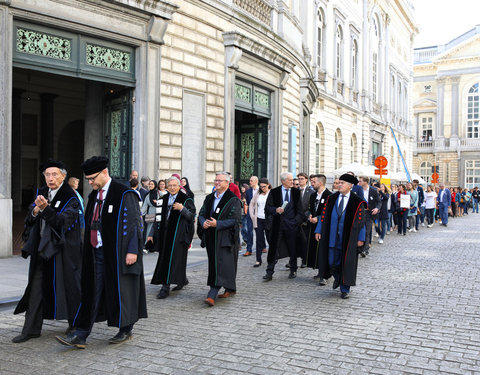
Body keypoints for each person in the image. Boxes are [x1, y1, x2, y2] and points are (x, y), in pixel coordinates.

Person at [56, 156, 147, 349]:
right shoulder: (94, 196)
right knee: (92, 291)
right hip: (96, 252)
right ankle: (81, 334)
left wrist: (133, 250)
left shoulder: (124, 193)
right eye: (88, 179)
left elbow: (134, 225)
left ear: (104, 173)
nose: (90, 183)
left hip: (118, 253)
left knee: (120, 290)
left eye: (92, 179)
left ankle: (125, 328)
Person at [13, 160, 83, 343]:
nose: (50, 178)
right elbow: (30, 218)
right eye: (47, 175)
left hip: (63, 251)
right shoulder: (41, 192)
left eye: (54, 175)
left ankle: (75, 325)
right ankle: (31, 329)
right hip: (41, 250)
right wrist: (35, 210)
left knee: (69, 287)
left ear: (63, 176)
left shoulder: (71, 197)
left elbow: (62, 223)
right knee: (35, 289)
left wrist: (45, 209)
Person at [314, 173, 367, 299]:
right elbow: (324, 216)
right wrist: (318, 230)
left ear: (350, 186)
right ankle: (337, 278)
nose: (339, 185)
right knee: (332, 262)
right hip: (331, 237)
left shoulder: (357, 202)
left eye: (342, 183)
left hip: (347, 239)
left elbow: (361, 222)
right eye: (338, 183)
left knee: (345, 263)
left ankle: (345, 288)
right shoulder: (331, 199)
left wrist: (361, 238)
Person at [197, 172, 242, 306]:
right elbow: (201, 214)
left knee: (223, 264)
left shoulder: (233, 199)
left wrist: (218, 224)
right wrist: (203, 222)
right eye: (216, 180)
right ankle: (230, 288)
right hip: (211, 237)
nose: (217, 183)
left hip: (225, 238)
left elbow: (235, 220)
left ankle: (212, 294)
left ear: (227, 183)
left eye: (220, 181)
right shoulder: (209, 197)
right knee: (215, 264)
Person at [149, 176, 196, 299]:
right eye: (170, 185)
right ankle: (173, 283)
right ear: (166, 186)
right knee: (166, 259)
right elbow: (157, 218)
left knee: (176, 260)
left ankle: (172, 284)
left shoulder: (186, 200)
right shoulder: (163, 199)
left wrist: (182, 209)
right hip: (164, 235)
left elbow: (192, 216)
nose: (172, 187)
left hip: (179, 235)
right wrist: (151, 234)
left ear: (179, 186)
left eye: (175, 185)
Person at [263, 172, 303, 281]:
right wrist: (275, 210)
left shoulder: (296, 192)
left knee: (293, 248)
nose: (292, 182)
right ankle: (269, 272)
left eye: (292, 179)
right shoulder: (274, 192)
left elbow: (300, 210)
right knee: (273, 248)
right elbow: (267, 208)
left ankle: (293, 269)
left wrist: (295, 222)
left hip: (292, 225)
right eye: (290, 180)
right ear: (283, 181)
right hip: (277, 225)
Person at [305, 174, 331, 284]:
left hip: (324, 228)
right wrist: (309, 215)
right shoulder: (313, 195)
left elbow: (329, 213)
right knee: (315, 250)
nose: (312, 183)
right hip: (313, 227)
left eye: (314, 182)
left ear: (320, 183)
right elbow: (309, 209)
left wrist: (319, 218)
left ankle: (324, 275)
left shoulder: (329, 196)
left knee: (323, 250)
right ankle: (319, 271)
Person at [249, 178, 271, 267]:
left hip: (268, 220)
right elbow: (251, 204)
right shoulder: (258, 193)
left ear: (268, 185)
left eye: (264, 186)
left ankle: (272, 258)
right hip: (259, 219)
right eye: (261, 187)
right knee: (259, 240)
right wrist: (252, 215)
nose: (262, 188)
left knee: (270, 239)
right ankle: (258, 260)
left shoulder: (272, 193)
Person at [357, 176, 380, 256]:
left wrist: (376, 208)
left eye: (360, 181)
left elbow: (378, 202)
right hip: (359, 213)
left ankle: (365, 249)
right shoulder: (357, 190)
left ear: (365, 182)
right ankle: (360, 248)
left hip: (369, 213)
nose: (359, 182)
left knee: (367, 231)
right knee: (359, 231)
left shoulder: (373, 190)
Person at [297, 172, 313, 268]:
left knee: (305, 241)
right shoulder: (295, 191)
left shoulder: (310, 192)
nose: (300, 180)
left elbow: (310, 207)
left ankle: (304, 259)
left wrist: (305, 216)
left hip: (305, 221)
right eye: (299, 178)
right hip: (295, 221)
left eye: (302, 178)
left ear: (306, 179)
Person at [141, 180, 159, 250]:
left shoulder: (159, 194)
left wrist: (158, 202)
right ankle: (148, 246)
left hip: (158, 213)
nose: (150, 185)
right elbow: (145, 206)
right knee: (149, 230)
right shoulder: (147, 195)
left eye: (152, 184)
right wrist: (140, 213)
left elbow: (164, 203)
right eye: (149, 184)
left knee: (156, 230)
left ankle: (156, 246)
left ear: (155, 185)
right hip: (151, 214)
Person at [243, 176, 258, 257]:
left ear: (256, 181)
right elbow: (249, 203)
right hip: (250, 213)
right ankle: (249, 249)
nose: (250, 182)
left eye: (251, 181)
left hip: (259, 213)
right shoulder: (248, 191)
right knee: (249, 231)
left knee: (259, 231)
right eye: (250, 180)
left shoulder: (261, 190)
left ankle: (262, 246)